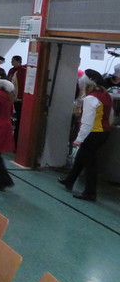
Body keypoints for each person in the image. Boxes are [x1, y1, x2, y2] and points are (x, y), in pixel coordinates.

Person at [57, 70, 112, 201]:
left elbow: (87, 122)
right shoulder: (106, 95)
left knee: (90, 164)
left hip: (93, 133)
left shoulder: (90, 98)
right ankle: (69, 180)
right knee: (81, 157)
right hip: (103, 132)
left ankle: (90, 193)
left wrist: (79, 139)